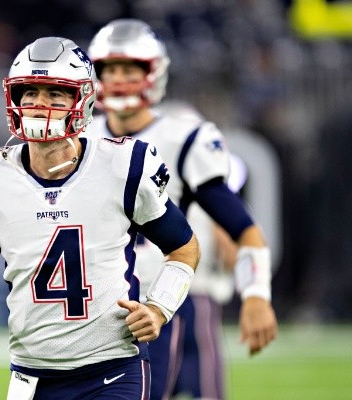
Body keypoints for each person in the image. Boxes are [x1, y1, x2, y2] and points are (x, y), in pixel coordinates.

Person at [0, 36, 201, 400]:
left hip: (112, 369)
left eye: (55, 94)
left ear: (83, 100)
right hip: (30, 376)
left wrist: (158, 309)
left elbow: (184, 249)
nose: (38, 104)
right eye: (29, 93)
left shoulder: (123, 166)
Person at [85, 19, 278, 400]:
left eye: (129, 69)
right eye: (110, 69)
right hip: (100, 306)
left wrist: (256, 294)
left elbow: (243, 227)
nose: (119, 79)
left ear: (153, 74)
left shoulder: (183, 137)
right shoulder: (81, 138)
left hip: (170, 296)